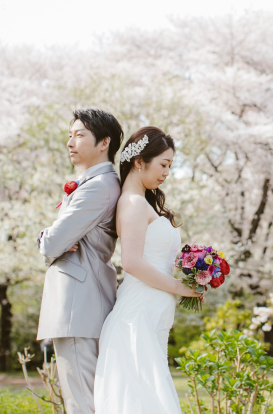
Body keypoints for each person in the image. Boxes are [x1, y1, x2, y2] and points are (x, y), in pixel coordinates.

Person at [94, 126, 202, 414]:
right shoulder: (131, 203)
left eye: (170, 166)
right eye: (163, 164)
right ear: (139, 161)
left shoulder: (142, 203)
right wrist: (181, 288)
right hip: (137, 316)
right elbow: (131, 262)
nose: (167, 173)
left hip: (152, 315)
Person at [36, 108, 123, 414]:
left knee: (81, 403)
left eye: (80, 135)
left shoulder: (98, 186)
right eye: (69, 135)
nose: (70, 142)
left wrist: (45, 238)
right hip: (84, 303)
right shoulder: (100, 184)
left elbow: (52, 243)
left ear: (104, 143)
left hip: (77, 306)